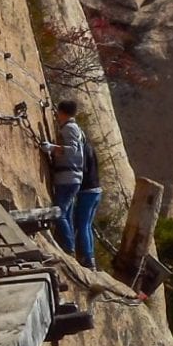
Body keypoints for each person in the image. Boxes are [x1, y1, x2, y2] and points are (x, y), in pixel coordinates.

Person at [45, 99, 85, 255]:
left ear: (62, 112)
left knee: (59, 212)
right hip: (70, 177)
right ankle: (69, 246)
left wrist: (52, 148)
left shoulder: (69, 128)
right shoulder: (73, 128)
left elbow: (72, 150)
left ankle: (69, 247)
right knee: (66, 214)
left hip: (68, 177)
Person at [74, 129, 102, 268]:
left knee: (83, 225)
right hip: (96, 190)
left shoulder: (83, 149)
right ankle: (91, 257)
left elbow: (82, 169)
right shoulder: (90, 147)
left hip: (87, 191)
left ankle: (87, 257)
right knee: (88, 225)